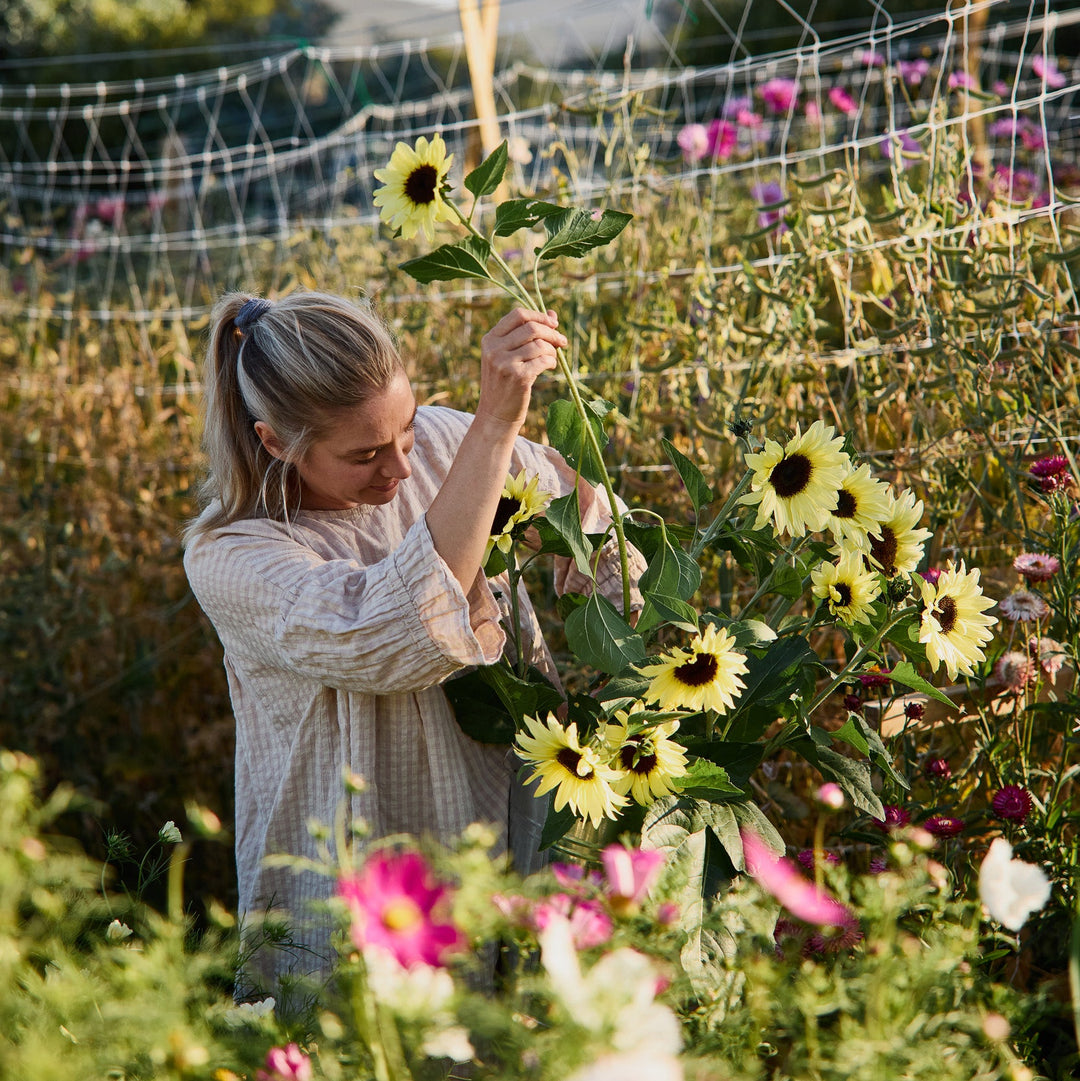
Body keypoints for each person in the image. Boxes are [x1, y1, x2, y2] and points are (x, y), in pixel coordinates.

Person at [182, 290, 642, 993]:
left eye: (406, 429)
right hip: (356, 861)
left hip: (511, 817)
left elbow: (590, 521)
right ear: (276, 441)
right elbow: (388, 633)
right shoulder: (233, 553)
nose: (401, 468)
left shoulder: (441, 443)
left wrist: (630, 663)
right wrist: (492, 430)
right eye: (364, 453)